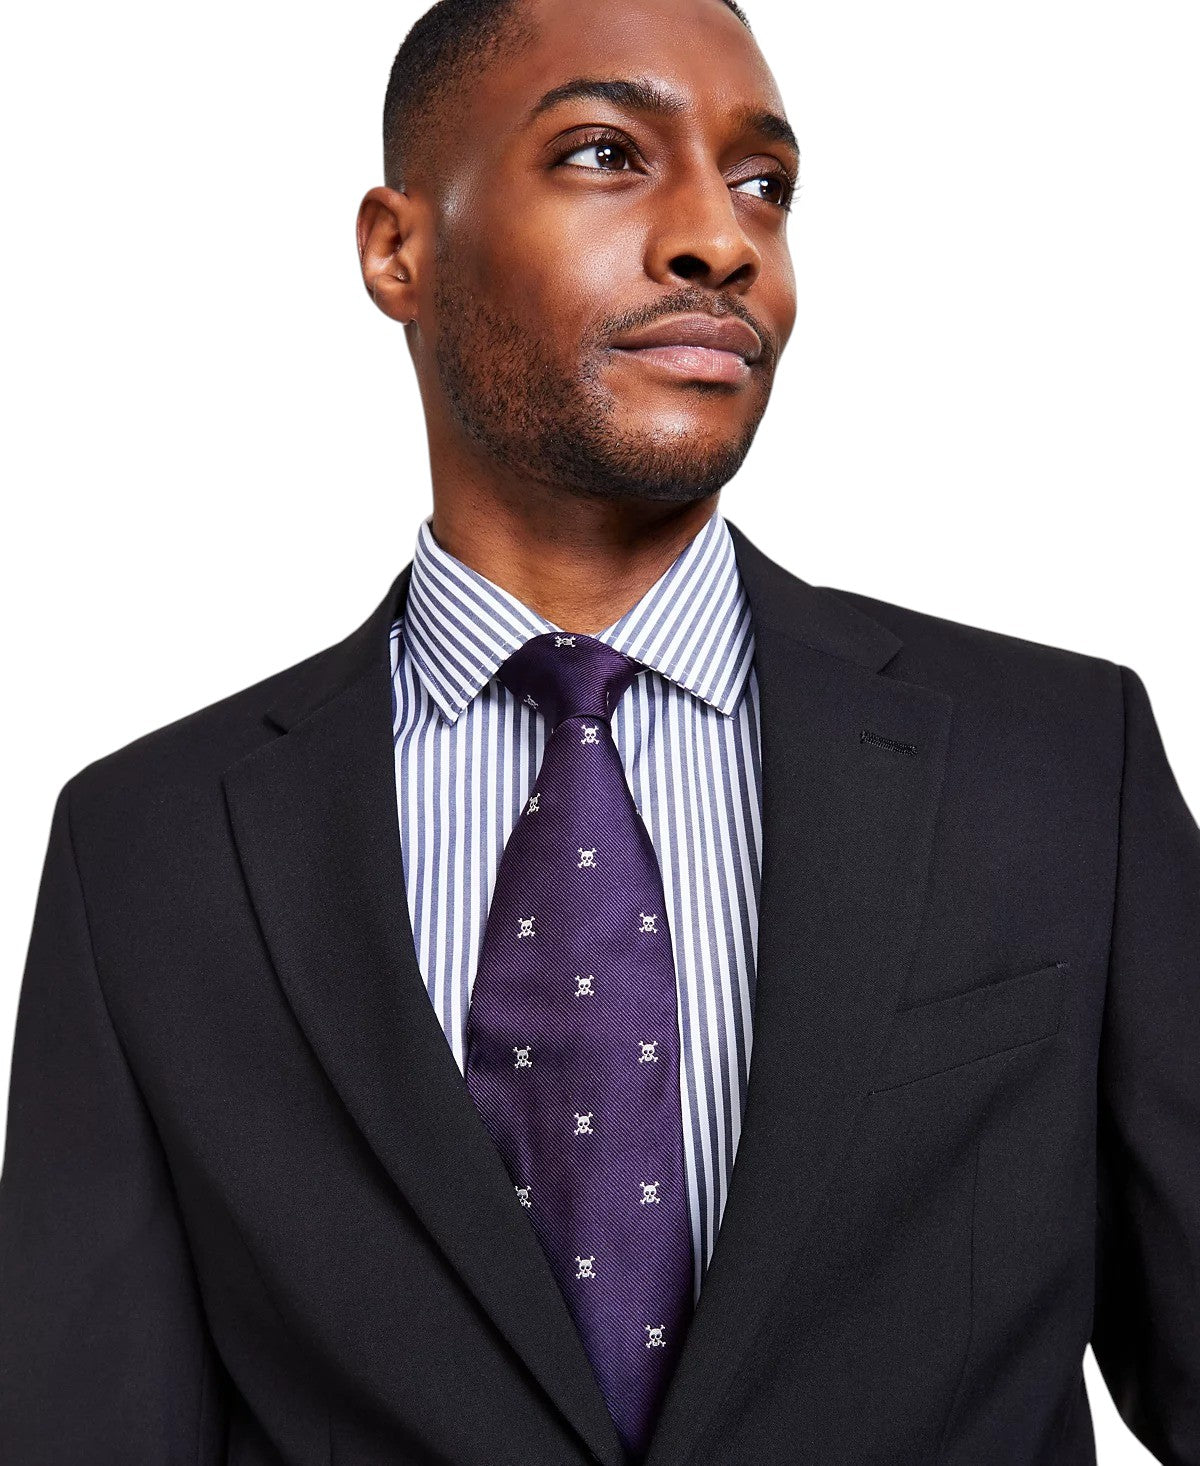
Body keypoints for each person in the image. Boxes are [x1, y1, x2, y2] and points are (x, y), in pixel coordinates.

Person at [2, 0, 1197, 1460]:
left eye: (764, 182)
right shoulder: (150, 849)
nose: (721, 238)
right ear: (397, 249)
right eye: (604, 153)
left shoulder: (1062, 766)